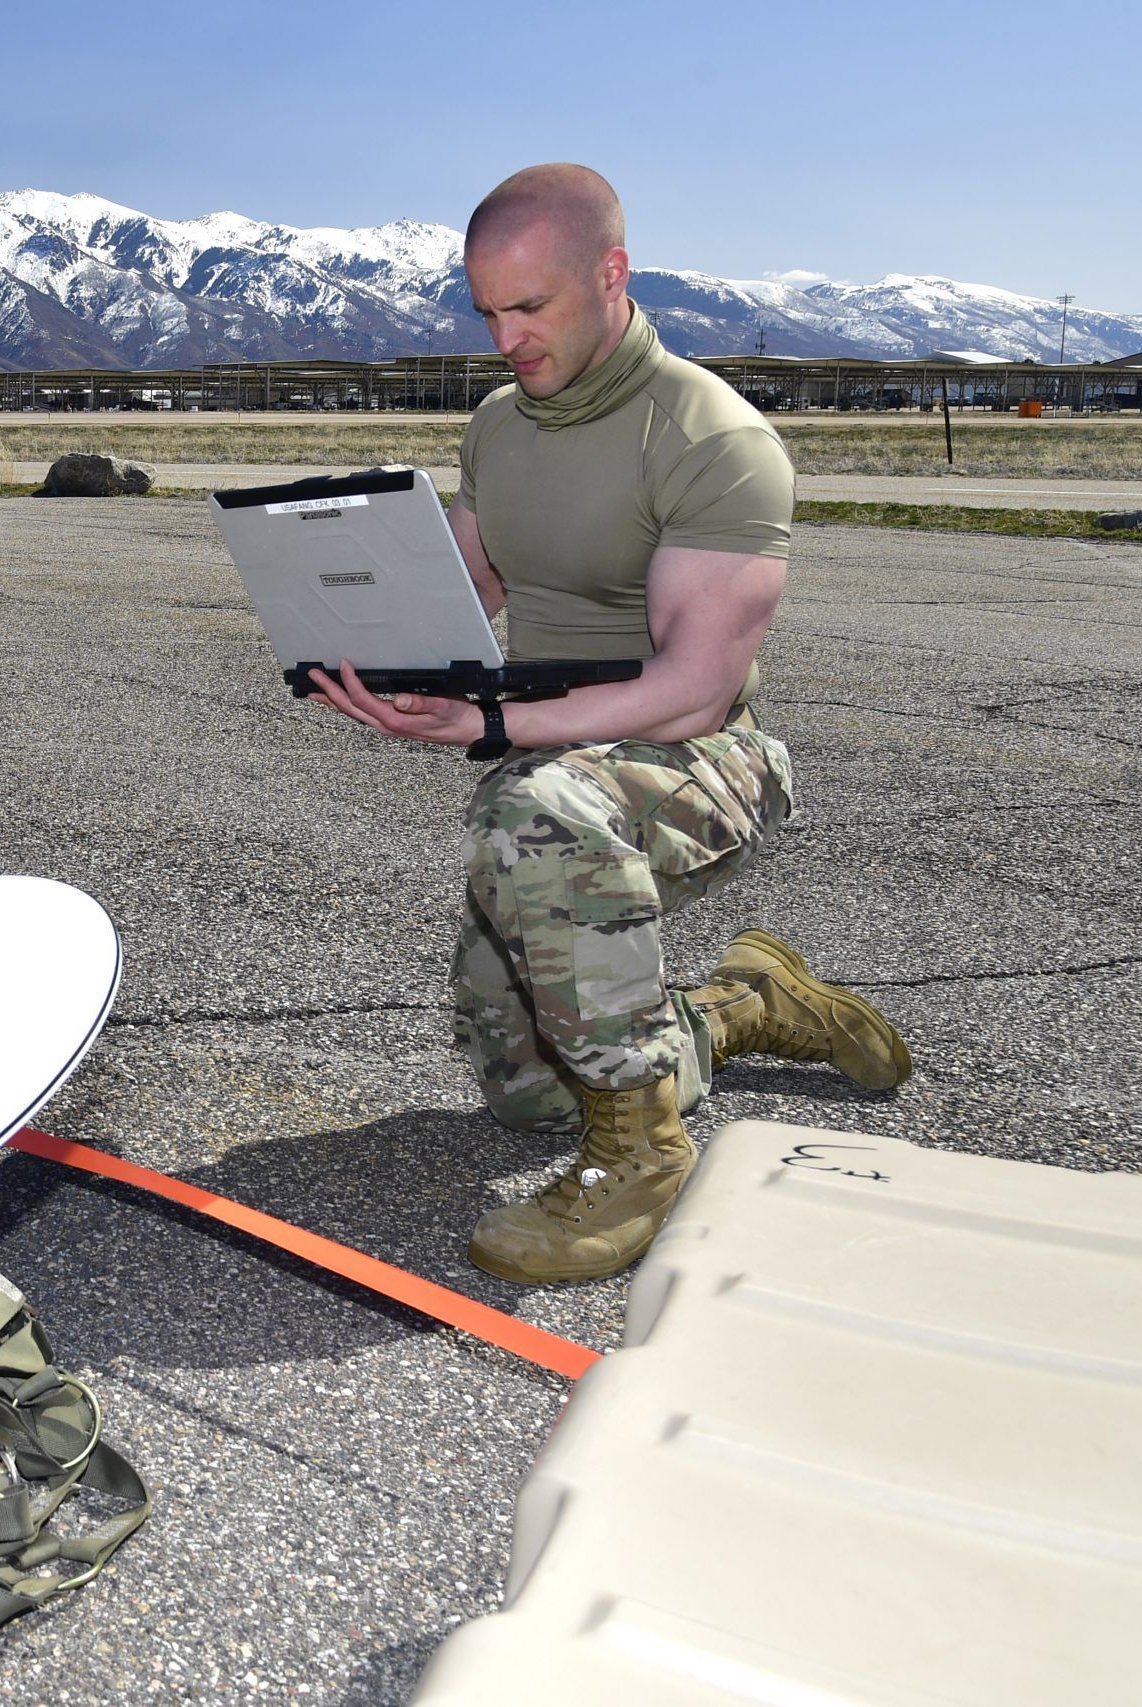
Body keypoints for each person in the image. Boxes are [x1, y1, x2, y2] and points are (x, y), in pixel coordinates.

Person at [306, 163, 912, 1285]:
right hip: (553, 756)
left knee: (532, 819)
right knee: (533, 1094)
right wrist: (369, 643)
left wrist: (490, 729)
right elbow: (467, 586)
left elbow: (688, 688)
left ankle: (641, 1154)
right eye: (487, 310)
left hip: (699, 757)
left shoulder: (712, 439)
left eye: (529, 307)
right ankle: (743, 1006)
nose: (504, 338)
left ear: (611, 275)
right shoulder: (499, 425)